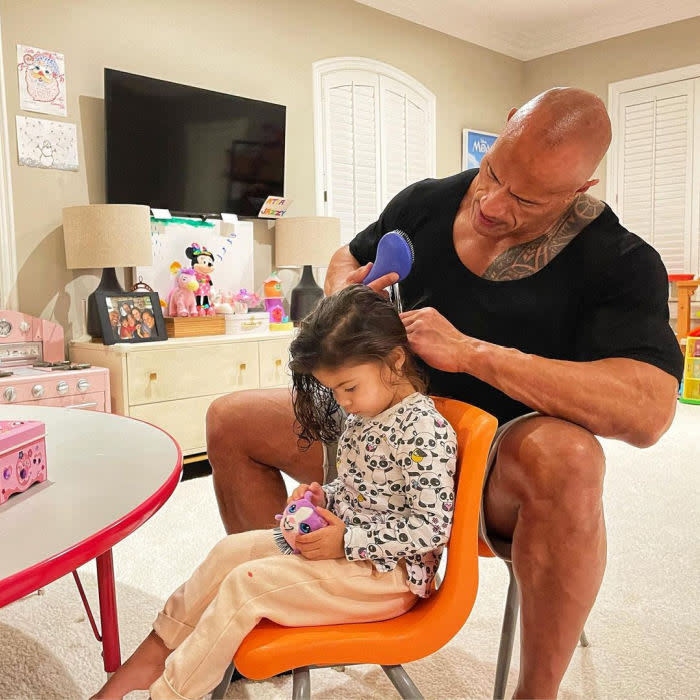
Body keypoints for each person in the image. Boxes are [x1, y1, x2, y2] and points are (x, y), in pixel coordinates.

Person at [206, 87, 684, 698]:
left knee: (570, 458)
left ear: (581, 188)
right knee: (231, 419)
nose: (492, 203)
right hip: (376, 440)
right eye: (494, 173)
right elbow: (345, 258)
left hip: (492, 469)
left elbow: (649, 412)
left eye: (527, 200)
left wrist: (474, 354)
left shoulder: (618, 260)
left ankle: (535, 692)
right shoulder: (427, 203)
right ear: (508, 124)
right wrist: (343, 293)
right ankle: (304, 604)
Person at [92, 285, 457, 700]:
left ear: (394, 360)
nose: (343, 402)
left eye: (349, 388)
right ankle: (152, 658)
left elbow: (431, 528)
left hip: (386, 580)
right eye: (334, 391)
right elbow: (365, 490)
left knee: (246, 584)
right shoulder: (367, 414)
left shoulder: (423, 431)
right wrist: (325, 499)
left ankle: (170, 692)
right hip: (349, 559)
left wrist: (348, 540)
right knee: (228, 554)